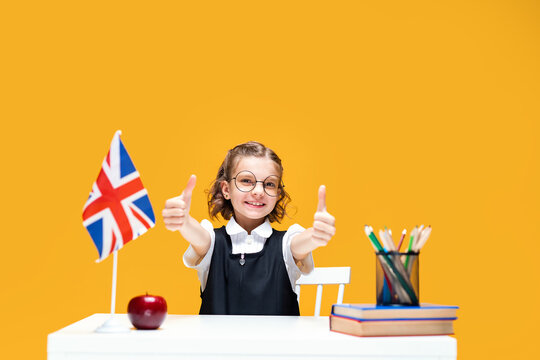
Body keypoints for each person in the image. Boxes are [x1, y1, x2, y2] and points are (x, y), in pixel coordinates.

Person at [162, 141, 336, 315]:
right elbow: (198, 236)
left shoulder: (286, 245)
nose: (258, 191)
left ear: (277, 194)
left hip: (278, 343)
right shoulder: (212, 242)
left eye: (269, 184)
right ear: (226, 189)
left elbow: (300, 244)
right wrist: (183, 221)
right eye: (246, 180)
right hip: (217, 342)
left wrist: (316, 235)